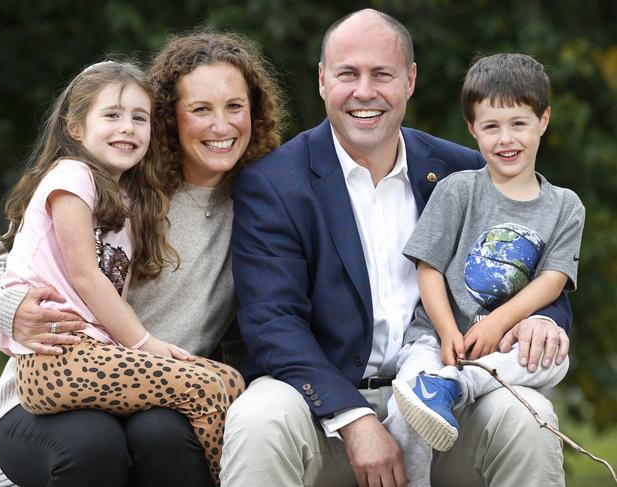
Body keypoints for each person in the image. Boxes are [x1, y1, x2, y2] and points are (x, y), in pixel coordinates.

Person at [223, 10, 571, 487]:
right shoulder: (275, 183)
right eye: (348, 74)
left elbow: (533, 253)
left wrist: (543, 319)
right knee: (259, 416)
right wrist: (352, 416)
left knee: (529, 414)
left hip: (447, 394)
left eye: (381, 74)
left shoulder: (461, 170)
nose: (364, 91)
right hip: (322, 409)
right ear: (323, 80)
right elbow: (271, 321)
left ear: (409, 81)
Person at [0, 31, 285, 487]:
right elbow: (8, 260)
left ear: (254, 113)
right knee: (93, 447)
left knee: (161, 436)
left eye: (235, 107)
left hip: (163, 394)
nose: (221, 126)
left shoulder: (264, 201)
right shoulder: (123, 186)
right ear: (170, 118)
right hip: (51, 387)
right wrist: (11, 311)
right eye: (200, 109)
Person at [391, 52, 584, 469]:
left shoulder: (565, 206)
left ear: (543, 121)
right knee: (406, 407)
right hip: (434, 342)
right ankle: (438, 387)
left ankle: (455, 387)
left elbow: (552, 279)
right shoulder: (457, 190)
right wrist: (446, 334)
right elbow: (429, 268)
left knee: (555, 358)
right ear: (472, 129)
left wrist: (499, 324)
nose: (506, 139)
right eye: (491, 127)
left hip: (505, 350)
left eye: (519, 124)